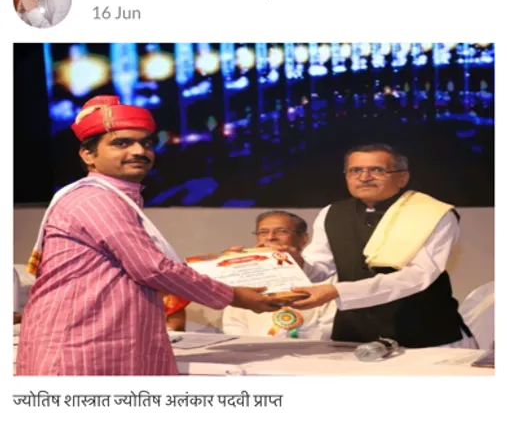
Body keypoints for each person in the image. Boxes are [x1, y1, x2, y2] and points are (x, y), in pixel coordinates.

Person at [17, 96, 281, 376]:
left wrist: (222, 265)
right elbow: (151, 268)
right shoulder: (95, 199)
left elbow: (135, 266)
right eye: (122, 143)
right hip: (81, 347)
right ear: (88, 155)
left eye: (146, 143)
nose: (139, 151)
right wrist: (233, 295)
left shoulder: (118, 198)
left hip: (107, 342)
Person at [284, 144, 477, 349]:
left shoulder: (433, 214)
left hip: (425, 335)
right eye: (355, 170)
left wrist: (337, 291)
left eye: (376, 170)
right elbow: (321, 267)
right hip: (353, 335)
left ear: (402, 178)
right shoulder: (331, 213)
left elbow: (418, 276)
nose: (364, 177)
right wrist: (297, 263)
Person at [221, 210, 336, 339]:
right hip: (255, 347)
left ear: (304, 238)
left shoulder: (323, 275)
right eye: (263, 232)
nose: (270, 237)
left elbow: (330, 325)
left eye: (282, 231)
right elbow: (234, 323)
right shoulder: (243, 273)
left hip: (314, 348)